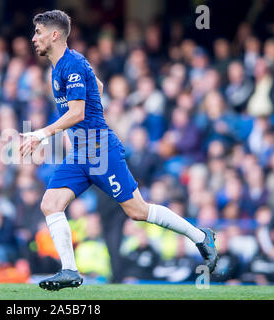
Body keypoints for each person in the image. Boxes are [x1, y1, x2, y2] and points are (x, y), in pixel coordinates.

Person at [20, 10, 218, 291]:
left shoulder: (71, 64)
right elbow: (97, 86)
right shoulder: (63, 65)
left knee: (137, 210)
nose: (34, 38)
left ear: (55, 34)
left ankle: (200, 236)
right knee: (50, 204)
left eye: (38, 32)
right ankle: (69, 271)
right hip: (80, 153)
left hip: (100, 150)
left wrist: (42, 134)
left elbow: (76, 112)